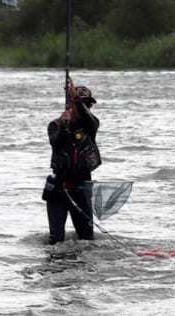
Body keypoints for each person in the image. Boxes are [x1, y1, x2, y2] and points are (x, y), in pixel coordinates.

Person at [42, 78, 102, 245]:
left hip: (82, 186)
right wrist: (64, 124)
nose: (88, 108)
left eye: (89, 105)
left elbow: (87, 117)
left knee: (87, 239)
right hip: (58, 187)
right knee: (56, 240)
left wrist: (76, 99)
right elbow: (55, 141)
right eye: (85, 104)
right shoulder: (55, 124)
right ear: (71, 105)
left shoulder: (92, 125)